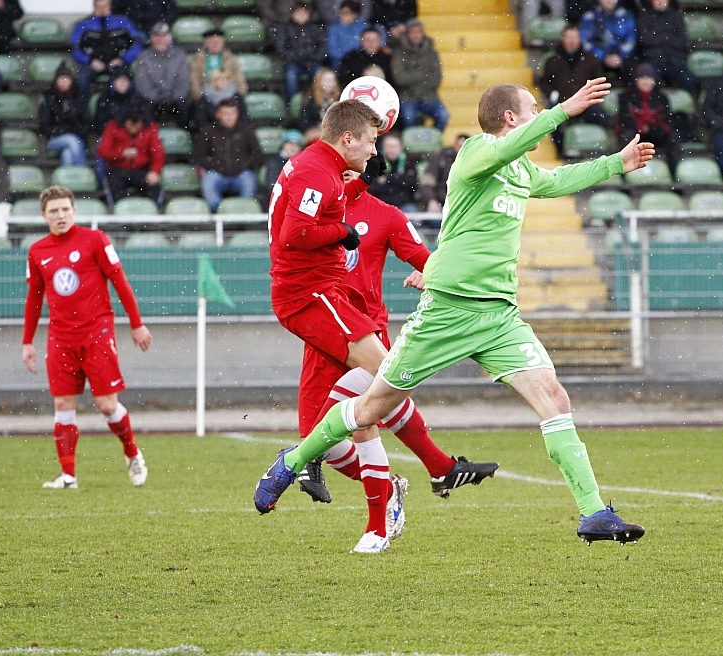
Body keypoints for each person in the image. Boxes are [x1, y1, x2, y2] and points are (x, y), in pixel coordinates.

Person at [254, 79, 653, 547]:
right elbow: (521, 142)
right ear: (510, 117)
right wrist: (565, 110)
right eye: (533, 107)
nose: (539, 111)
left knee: (555, 397)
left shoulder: (520, 169)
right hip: (448, 307)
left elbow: (558, 181)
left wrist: (616, 164)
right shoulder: (477, 154)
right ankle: (294, 460)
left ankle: (593, 513)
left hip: (498, 313)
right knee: (372, 406)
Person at [258, 99, 499, 552]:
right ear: (346, 143)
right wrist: (341, 234)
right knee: (335, 430)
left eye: (375, 150)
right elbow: (295, 234)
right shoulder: (320, 177)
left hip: (354, 317)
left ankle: (381, 516)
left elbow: (427, 260)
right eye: (369, 143)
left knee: (379, 391)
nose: (371, 154)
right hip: (319, 305)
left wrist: (433, 274)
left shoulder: (384, 214)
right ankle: (420, 472)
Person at [22, 185, 152, 490]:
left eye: (65, 209)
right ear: (44, 216)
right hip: (60, 338)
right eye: (54, 211)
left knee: (107, 405)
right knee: (63, 405)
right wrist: (27, 341)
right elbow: (34, 298)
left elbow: (120, 282)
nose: (61, 215)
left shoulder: (95, 240)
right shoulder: (37, 251)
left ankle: (132, 454)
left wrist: (137, 323)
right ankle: (68, 476)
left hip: (97, 333)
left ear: (74, 211)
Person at [539, 25, 606, 152]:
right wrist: (555, 95)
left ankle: (596, 150)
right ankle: (559, 151)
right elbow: (545, 83)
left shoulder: (590, 60)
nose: (572, 41)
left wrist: (591, 97)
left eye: (575, 37)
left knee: (601, 117)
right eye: (568, 37)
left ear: (580, 39)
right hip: (562, 103)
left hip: (586, 103)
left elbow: (600, 80)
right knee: (550, 121)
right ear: (563, 39)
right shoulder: (552, 61)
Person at [195, 98, 263, 212]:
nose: (229, 117)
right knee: (208, 183)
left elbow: (258, 155)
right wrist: (217, 165)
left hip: (241, 173)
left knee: (249, 182)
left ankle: (242, 214)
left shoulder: (246, 130)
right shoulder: (208, 131)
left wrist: (243, 165)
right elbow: (199, 157)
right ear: (218, 114)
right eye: (226, 113)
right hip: (217, 173)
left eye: (232, 113)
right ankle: (221, 214)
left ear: (237, 114)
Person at [70, 0, 146, 96]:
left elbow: (137, 45)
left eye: (105, 6)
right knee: (82, 78)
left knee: (127, 79)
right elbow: (74, 48)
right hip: (92, 64)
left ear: (110, 6)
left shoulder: (123, 22)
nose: (102, 9)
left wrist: (122, 59)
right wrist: (90, 60)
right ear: (94, 6)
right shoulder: (83, 24)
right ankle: (85, 107)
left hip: (118, 63)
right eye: (99, 6)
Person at [617, 63, 679, 175]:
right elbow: (625, 119)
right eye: (642, 78)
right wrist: (641, 128)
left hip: (655, 133)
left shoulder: (661, 98)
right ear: (636, 80)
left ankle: (674, 173)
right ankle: (624, 172)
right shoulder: (626, 97)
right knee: (626, 136)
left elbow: (667, 120)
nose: (645, 81)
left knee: (673, 138)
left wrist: (652, 129)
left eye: (649, 78)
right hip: (635, 134)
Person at [97, 108, 166, 206]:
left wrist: (155, 171)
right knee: (115, 189)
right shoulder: (113, 126)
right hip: (117, 169)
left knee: (153, 188)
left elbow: (158, 153)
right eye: (130, 125)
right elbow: (102, 151)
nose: (133, 129)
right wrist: (121, 154)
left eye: (136, 125)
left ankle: (152, 214)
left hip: (142, 170)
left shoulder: (150, 129)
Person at [391, 18, 449, 131]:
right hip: (408, 97)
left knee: (443, 116)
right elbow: (399, 79)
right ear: (407, 34)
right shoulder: (399, 52)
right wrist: (423, 74)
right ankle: (410, 145)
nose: (416, 35)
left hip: (429, 96)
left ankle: (433, 141)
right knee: (408, 118)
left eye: (419, 32)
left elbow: (437, 78)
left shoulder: (431, 52)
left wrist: (412, 77)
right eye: (413, 32)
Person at [133, 21, 191, 129]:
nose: (159, 40)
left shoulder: (180, 55)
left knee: (184, 105)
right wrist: (156, 98)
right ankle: (150, 138)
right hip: (153, 100)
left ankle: (184, 136)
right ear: (151, 39)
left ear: (170, 38)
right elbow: (143, 84)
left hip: (175, 100)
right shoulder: (143, 57)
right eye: (156, 36)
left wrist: (173, 98)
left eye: (163, 36)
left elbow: (183, 82)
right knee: (145, 106)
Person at [38, 63, 91, 167]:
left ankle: (69, 182)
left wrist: (76, 129)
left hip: (78, 137)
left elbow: (87, 123)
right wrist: (63, 130)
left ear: (71, 81)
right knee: (72, 141)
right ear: (56, 81)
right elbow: (44, 126)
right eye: (61, 80)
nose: (63, 83)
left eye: (66, 79)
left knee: (67, 154)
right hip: (55, 139)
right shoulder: (49, 99)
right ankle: (83, 171)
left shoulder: (79, 99)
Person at [636, 0, 694, 92]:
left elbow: (682, 40)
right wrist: (668, 39)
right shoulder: (644, 17)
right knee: (651, 80)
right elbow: (645, 40)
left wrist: (658, 39)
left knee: (687, 79)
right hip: (654, 59)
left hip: (674, 59)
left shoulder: (676, 16)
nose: (660, 2)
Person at [276, 2, 327, 101]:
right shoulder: (285, 29)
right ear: (292, 15)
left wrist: (313, 59)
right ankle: (292, 102)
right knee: (291, 76)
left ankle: (321, 101)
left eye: (304, 13)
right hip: (293, 63)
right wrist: (299, 58)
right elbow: (281, 49)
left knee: (322, 75)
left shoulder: (315, 29)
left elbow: (322, 48)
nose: (301, 16)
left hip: (313, 63)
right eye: (298, 13)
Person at [579, 0, 636, 83]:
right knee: (588, 66)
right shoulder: (589, 16)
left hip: (622, 58)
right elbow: (585, 41)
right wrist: (602, 56)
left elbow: (631, 39)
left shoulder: (626, 15)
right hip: (597, 58)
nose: (609, 1)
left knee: (634, 69)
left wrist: (620, 55)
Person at [188, 28, 247, 103]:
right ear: (205, 44)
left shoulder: (230, 58)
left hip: (228, 93)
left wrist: (240, 93)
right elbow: (194, 80)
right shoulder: (197, 59)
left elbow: (239, 77)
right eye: (212, 42)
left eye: (218, 41)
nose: (215, 44)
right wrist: (200, 96)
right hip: (206, 94)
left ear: (223, 43)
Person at [368, 131, 420, 212]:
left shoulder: (409, 161)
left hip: (405, 204)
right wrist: (399, 179)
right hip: (381, 203)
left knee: (413, 218)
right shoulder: (375, 162)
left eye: (394, 147)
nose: (391, 150)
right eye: (388, 146)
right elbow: (372, 187)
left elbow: (412, 183)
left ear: (401, 147)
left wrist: (387, 179)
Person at [418, 131, 466, 214]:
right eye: (459, 146)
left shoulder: (473, 163)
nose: (460, 150)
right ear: (454, 145)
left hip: (463, 204)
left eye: (463, 147)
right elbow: (426, 182)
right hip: (440, 202)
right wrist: (431, 200)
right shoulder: (441, 159)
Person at [92, 66, 149, 133]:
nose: (122, 83)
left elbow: (148, 120)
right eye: (119, 80)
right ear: (113, 82)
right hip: (111, 136)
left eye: (125, 80)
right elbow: (99, 123)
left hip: (136, 136)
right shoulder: (104, 99)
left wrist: (134, 126)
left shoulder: (139, 99)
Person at [259, 129, 303, 208]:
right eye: (290, 144)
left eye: (296, 145)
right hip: (278, 202)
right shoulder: (274, 163)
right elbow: (271, 186)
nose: (293, 148)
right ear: (283, 145)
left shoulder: (303, 164)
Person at [327, 0, 368, 70]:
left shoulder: (364, 27)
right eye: (341, 12)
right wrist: (347, 58)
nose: (342, 15)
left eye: (346, 13)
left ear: (355, 14)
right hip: (341, 61)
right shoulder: (334, 28)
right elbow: (333, 49)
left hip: (360, 60)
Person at [298, 67, 340, 131]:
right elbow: (304, 122)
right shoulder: (310, 100)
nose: (331, 83)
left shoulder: (340, 98)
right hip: (315, 133)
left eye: (333, 80)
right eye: (328, 80)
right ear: (319, 81)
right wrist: (317, 126)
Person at [112, 0, 178, 35]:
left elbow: (172, 11)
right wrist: (128, 25)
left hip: (157, 28)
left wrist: (162, 24)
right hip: (134, 29)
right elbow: (116, 10)